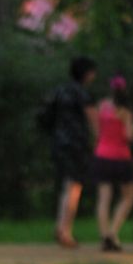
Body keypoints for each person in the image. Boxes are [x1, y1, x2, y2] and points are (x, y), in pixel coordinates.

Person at [42, 56, 97, 248]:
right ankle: (65, 230)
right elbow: (93, 121)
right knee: (74, 186)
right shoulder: (82, 94)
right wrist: (97, 140)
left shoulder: (60, 91)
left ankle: (60, 226)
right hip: (77, 144)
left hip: (59, 142)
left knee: (66, 185)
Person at [91, 76, 133, 252]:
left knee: (104, 198)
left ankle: (104, 236)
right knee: (129, 196)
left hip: (102, 154)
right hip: (121, 157)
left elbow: (97, 131)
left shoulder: (102, 106)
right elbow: (128, 136)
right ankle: (113, 232)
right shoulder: (125, 111)